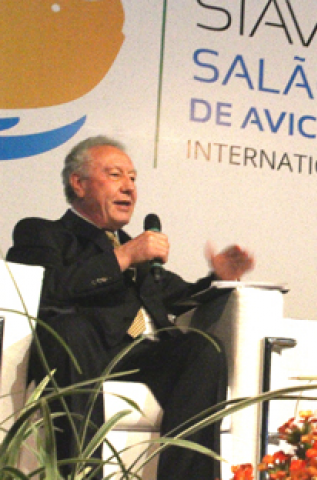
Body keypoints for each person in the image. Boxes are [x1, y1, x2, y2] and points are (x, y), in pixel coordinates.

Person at [6, 136, 255, 480]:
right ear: (79, 183)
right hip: (79, 353)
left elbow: (179, 295)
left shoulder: (136, 251)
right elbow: (45, 290)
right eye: (115, 175)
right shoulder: (42, 233)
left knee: (201, 348)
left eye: (133, 178)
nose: (129, 187)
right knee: (71, 331)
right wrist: (122, 257)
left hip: (135, 354)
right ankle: (81, 473)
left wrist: (218, 278)